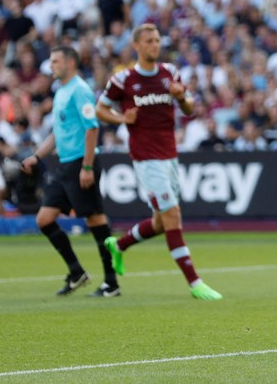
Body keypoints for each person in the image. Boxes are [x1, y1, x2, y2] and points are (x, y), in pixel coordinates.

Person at [95, 23, 222, 301]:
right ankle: (195, 282)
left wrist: (181, 97)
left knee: (161, 222)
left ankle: (119, 245)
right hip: (146, 158)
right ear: (137, 46)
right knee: (173, 215)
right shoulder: (124, 80)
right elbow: (100, 109)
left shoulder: (170, 73)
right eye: (149, 41)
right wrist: (121, 119)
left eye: (157, 40)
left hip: (170, 155)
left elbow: (188, 107)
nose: (155, 45)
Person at [20, 46, 119, 297]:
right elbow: (57, 132)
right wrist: (36, 156)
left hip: (80, 163)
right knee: (44, 219)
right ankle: (77, 272)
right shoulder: (61, 91)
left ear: (70, 63)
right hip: (65, 165)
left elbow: (92, 128)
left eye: (55, 61)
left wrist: (87, 167)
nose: (51, 65)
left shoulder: (80, 90)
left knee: (95, 219)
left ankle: (111, 282)